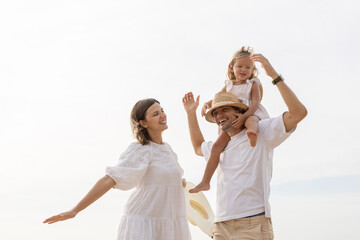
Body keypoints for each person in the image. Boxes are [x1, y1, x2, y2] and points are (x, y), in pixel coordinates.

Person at [182, 53, 307, 240]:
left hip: (252, 223)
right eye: (215, 112)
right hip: (221, 224)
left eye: (225, 109)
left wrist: (274, 75)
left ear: (239, 111)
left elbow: (298, 113)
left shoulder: (262, 130)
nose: (219, 115)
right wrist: (191, 113)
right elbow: (199, 147)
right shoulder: (220, 146)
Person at [43, 98, 192, 240]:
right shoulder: (140, 150)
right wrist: (75, 210)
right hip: (144, 224)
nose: (162, 115)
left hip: (170, 225)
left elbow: (168, 181)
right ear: (143, 123)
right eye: (156, 114)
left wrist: (182, 183)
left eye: (162, 111)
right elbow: (110, 179)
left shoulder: (169, 151)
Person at [190, 46, 270, 193]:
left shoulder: (252, 84)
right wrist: (208, 103)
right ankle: (205, 181)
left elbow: (255, 102)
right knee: (216, 147)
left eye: (248, 67)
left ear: (252, 70)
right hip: (230, 121)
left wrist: (244, 116)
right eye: (240, 66)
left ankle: (252, 134)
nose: (243, 70)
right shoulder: (228, 85)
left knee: (251, 121)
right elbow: (217, 98)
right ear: (231, 67)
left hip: (248, 112)